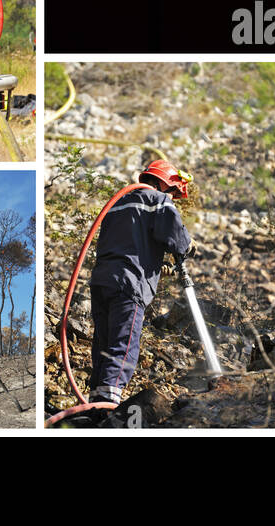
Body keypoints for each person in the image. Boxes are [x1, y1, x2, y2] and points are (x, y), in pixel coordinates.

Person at [88, 160, 194, 406]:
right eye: (172, 191)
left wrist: (157, 266)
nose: (172, 197)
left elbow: (130, 243)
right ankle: (108, 401)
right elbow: (177, 239)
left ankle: (94, 401)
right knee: (123, 343)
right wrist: (188, 246)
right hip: (130, 283)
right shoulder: (158, 200)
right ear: (161, 183)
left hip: (103, 280)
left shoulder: (119, 202)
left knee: (103, 342)